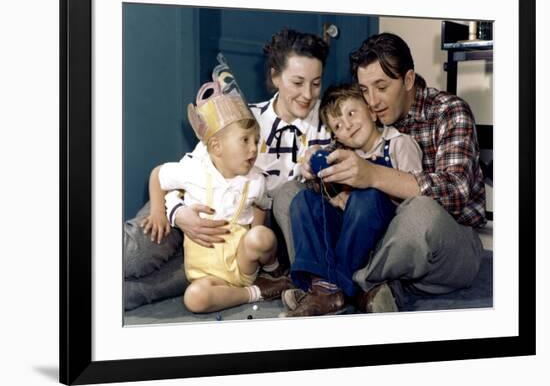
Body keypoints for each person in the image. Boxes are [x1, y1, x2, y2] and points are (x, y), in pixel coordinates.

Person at [124, 28, 330, 310]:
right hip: (185, 208)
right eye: (297, 82)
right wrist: (178, 214)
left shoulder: (330, 128)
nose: (307, 94)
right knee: (130, 256)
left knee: (133, 292)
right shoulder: (241, 117)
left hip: (237, 244)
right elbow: (190, 172)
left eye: (316, 83)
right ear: (275, 77)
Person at [299, 32, 486, 313]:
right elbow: (337, 151)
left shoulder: (450, 111)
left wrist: (372, 175)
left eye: (382, 87)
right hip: (379, 237)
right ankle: (359, 287)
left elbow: (455, 191)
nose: (372, 101)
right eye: (364, 90)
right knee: (293, 193)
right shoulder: (365, 118)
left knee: (421, 212)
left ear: (408, 80)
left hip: (442, 244)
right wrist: (314, 162)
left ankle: (341, 284)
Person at [147, 54, 292, 312]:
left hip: (241, 264)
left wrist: (257, 245)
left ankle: (270, 273)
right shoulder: (194, 170)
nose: (253, 149)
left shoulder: (255, 179)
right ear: (216, 146)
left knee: (261, 235)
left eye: (255, 140)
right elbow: (159, 174)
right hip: (205, 273)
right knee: (195, 298)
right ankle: (256, 293)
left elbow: (260, 206)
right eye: (245, 141)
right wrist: (159, 211)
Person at [280, 83, 422, 317]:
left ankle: (331, 290)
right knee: (303, 200)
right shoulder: (343, 154)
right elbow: (321, 185)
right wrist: (321, 177)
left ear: (372, 112)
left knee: (367, 197)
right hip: (349, 235)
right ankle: (322, 285)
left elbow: (415, 202)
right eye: (338, 125)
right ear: (336, 135)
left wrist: (366, 189)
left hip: (382, 238)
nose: (346, 124)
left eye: (351, 113)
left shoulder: (399, 144)